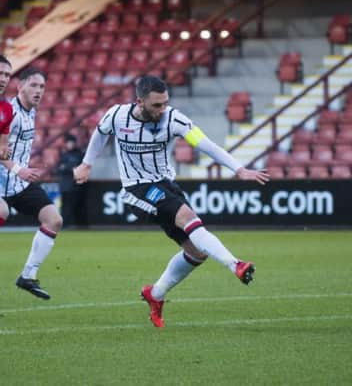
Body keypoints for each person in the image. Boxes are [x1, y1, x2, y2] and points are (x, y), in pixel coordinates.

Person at [73, 75, 270, 328]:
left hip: (167, 185)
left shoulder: (174, 119)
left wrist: (239, 169)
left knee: (197, 252)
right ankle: (236, 265)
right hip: (137, 188)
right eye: (157, 105)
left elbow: (206, 145)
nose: (163, 109)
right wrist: (87, 163)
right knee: (187, 217)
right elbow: (100, 134)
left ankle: (155, 294)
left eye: (165, 103)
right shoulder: (117, 116)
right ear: (140, 102)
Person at [0, 67, 62, 300]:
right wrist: (20, 169)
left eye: (42, 87)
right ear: (20, 86)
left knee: (54, 219)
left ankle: (28, 275)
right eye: (34, 85)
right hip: (6, 179)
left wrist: (24, 169)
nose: (39, 91)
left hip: (18, 184)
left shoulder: (31, 112)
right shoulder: (8, 112)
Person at [55, 133, 85, 228]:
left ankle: (78, 224)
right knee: (64, 205)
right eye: (68, 142)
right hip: (64, 185)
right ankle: (65, 224)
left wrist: (66, 168)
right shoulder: (64, 155)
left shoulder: (79, 154)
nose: (69, 144)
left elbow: (79, 169)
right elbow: (58, 169)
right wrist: (70, 168)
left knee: (76, 205)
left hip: (76, 185)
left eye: (71, 142)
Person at [0, 55, 14, 228]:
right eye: (0, 73)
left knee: (2, 211)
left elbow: (2, 146)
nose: (3, 78)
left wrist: (4, 150)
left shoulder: (7, 109)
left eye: (7, 75)